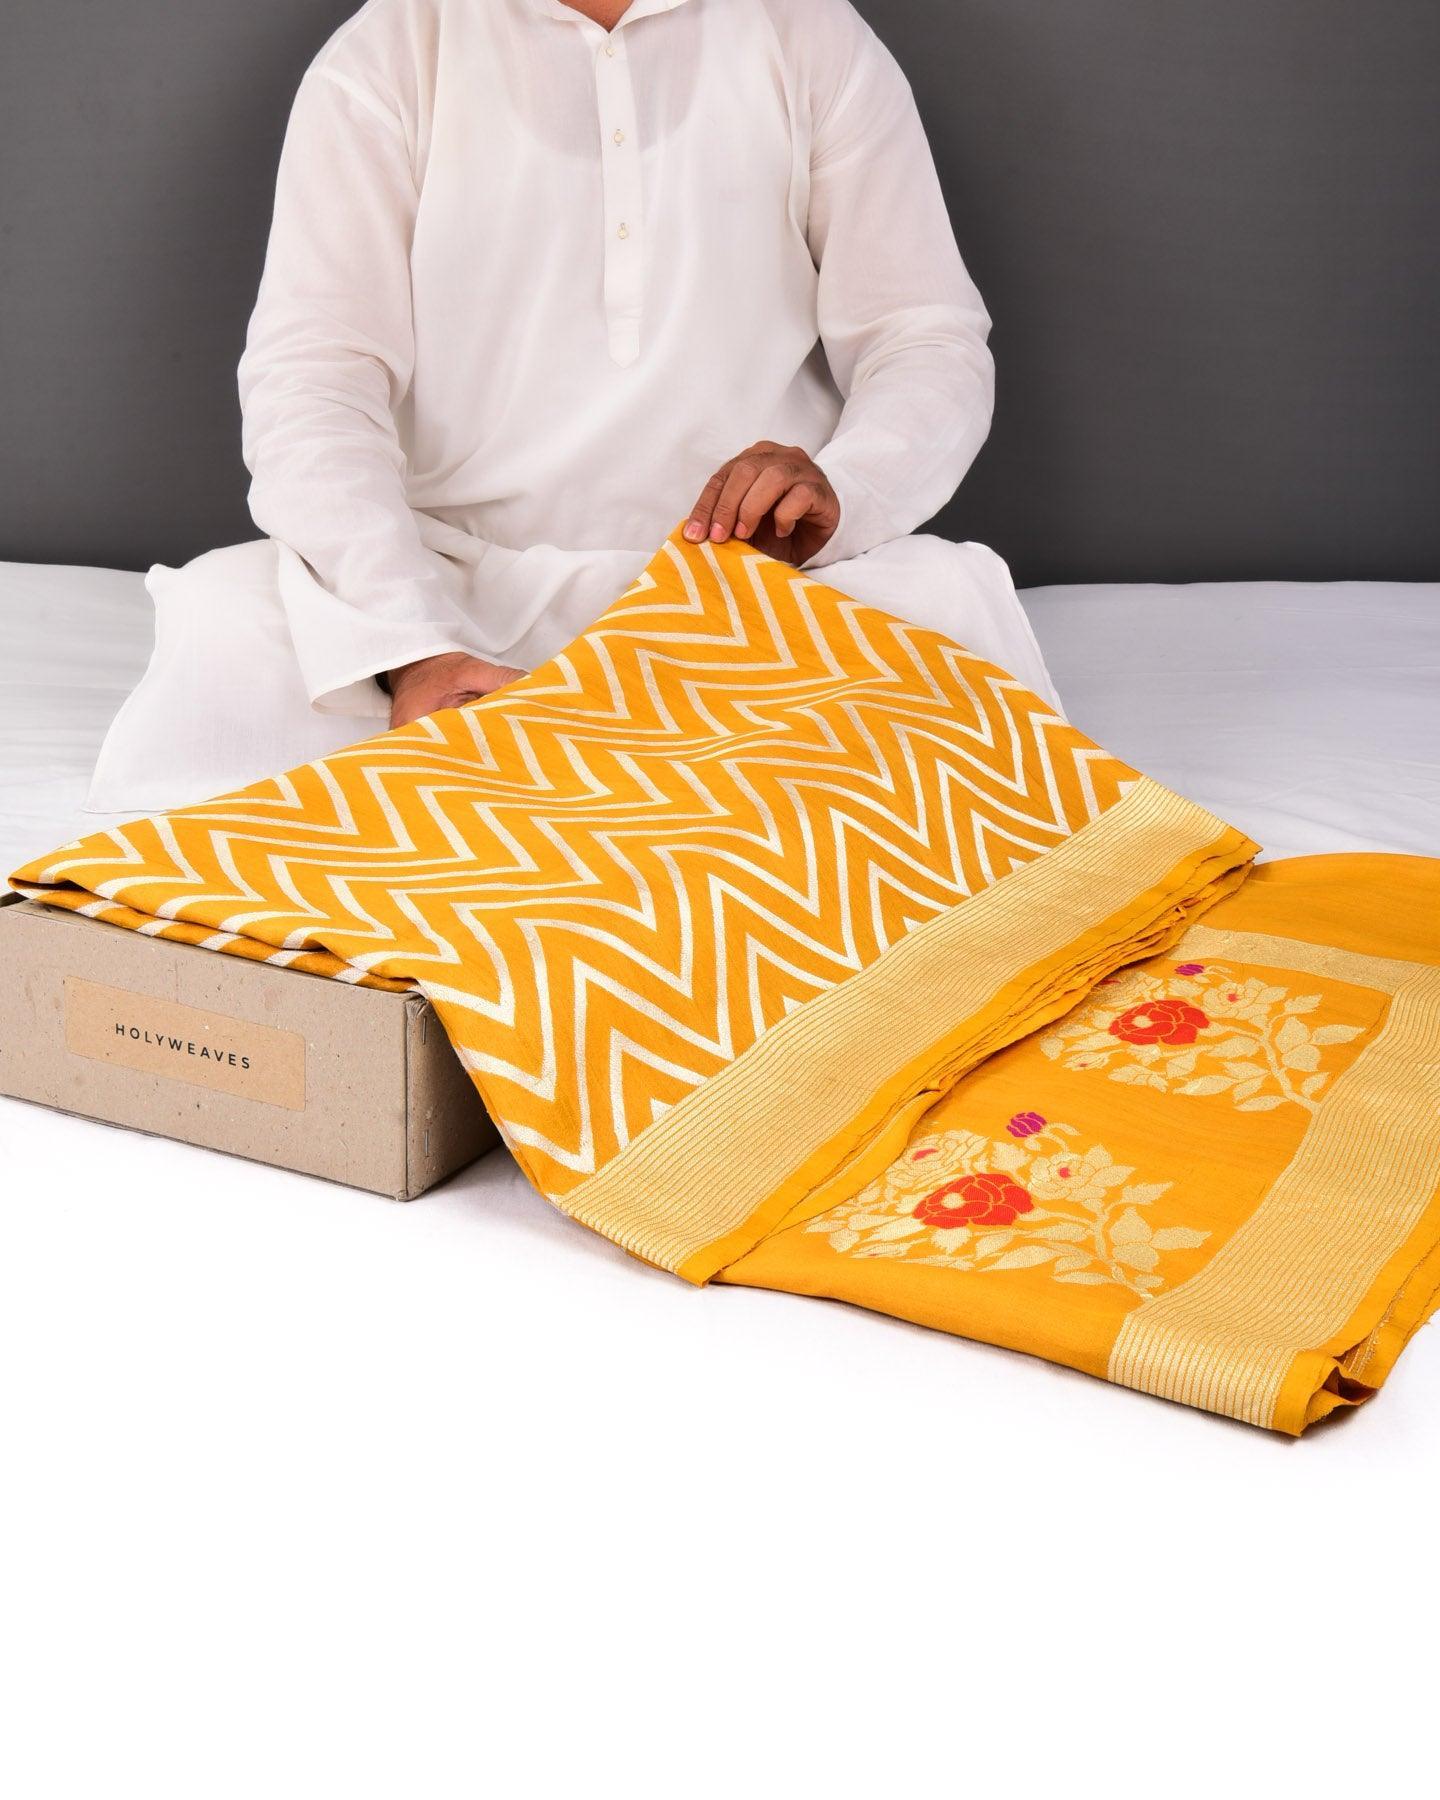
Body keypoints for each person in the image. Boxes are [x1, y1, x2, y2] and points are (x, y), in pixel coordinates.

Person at [85, 0, 1064, 816]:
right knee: (227, 628)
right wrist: (411, 648)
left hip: (751, 592)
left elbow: (924, 335)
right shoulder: (392, 48)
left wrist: (843, 489)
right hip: (454, 590)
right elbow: (314, 378)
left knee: (947, 613)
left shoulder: (807, 31)